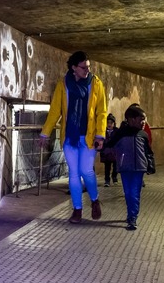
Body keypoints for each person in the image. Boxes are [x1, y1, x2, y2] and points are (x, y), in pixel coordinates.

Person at [39, 51, 108, 224]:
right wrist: (44, 133)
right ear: (73, 68)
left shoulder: (96, 84)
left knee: (87, 171)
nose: (87, 70)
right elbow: (55, 111)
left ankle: (94, 200)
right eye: (83, 67)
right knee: (74, 173)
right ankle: (77, 209)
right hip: (70, 137)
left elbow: (102, 112)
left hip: (89, 137)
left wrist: (100, 135)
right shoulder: (63, 85)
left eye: (88, 67)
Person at [105, 104, 156, 230]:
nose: (144, 122)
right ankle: (130, 214)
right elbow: (109, 145)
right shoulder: (121, 134)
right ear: (132, 119)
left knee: (134, 193)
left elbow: (148, 151)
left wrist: (150, 165)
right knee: (128, 193)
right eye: (141, 119)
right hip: (125, 168)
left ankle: (133, 217)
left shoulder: (143, 134)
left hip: (139, 168)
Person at [100, 113, 118, 186]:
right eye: (108, 123)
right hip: (106, 152)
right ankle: (107, 180)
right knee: (107, 167)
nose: (109, 124)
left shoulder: (117, 131)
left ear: (114, 123)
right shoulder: (103, 131)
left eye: (111, 123)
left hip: (114, 152)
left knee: (115, 167)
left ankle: (114, 178)